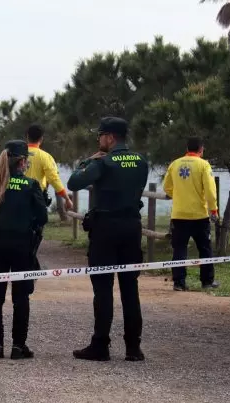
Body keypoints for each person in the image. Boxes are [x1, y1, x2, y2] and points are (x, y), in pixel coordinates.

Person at [67, 117, 149, 362]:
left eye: (100, 135)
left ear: (110, 137)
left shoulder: (104, 162)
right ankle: (133, 348)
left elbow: (74, 181)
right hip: (131, 228)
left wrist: (88, 161)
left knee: (103, 289)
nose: (98, 140)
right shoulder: (141, 162)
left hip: (105, 230)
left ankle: (100, 345)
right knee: (130, 290)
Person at [0, 140, 48, 360]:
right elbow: (42, 217)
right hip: (22, 246)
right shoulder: (31, 185)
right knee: (21, 297)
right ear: (22, 161)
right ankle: (18, 346)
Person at [163, 136, 220, 291]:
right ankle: (207, 281)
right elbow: (210, 190)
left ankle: (179, 283)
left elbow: (166, 187)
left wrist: (179, 195)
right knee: (204, 248)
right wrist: (213, 209)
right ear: (201, 149)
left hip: (179, 215)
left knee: (179, 248)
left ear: (187, 149)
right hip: (199, 215)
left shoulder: (175, 164)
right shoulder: (204, 165)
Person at [24, 124, 74, 269]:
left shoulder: (18, 154)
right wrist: (67, 198)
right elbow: (54, 179)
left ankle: (24, 265)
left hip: (15, 198)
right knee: (35, 234)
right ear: (42, 139)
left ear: (27, 137)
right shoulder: (45, 157)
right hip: (36, 200)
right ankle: (30, 265)